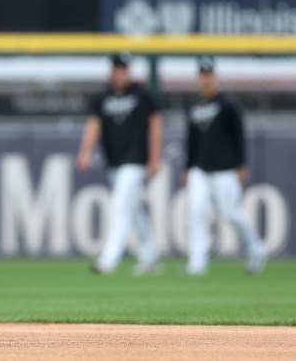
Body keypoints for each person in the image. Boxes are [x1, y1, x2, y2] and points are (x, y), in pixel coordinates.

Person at [76, 52, 162, 275]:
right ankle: (150, 255)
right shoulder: (103, 98)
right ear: (111, 71)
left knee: (120, 205)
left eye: (124, 69)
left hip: (135, 161)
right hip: (114, 161)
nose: (120, 73)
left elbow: (155, 127)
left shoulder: (143, 96)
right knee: (133, 210)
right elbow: (94, 126)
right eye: (117, 69)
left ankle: (109, 258)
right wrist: (85, 151)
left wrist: (154, 157)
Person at [183, 55, 266, 276]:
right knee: (196, 211)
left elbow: (239, 136)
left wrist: (241, 164)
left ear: (215, 77)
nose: (205, 79)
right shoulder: (193, 106)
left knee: (231, 213)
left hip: (225, 169)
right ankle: (197, 261)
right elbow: (190, 140)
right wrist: (187, 166)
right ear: (198, 78)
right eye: (202, 75)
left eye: (209, 74)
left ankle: (255, 248)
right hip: (199, 168)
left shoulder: (228, 104)